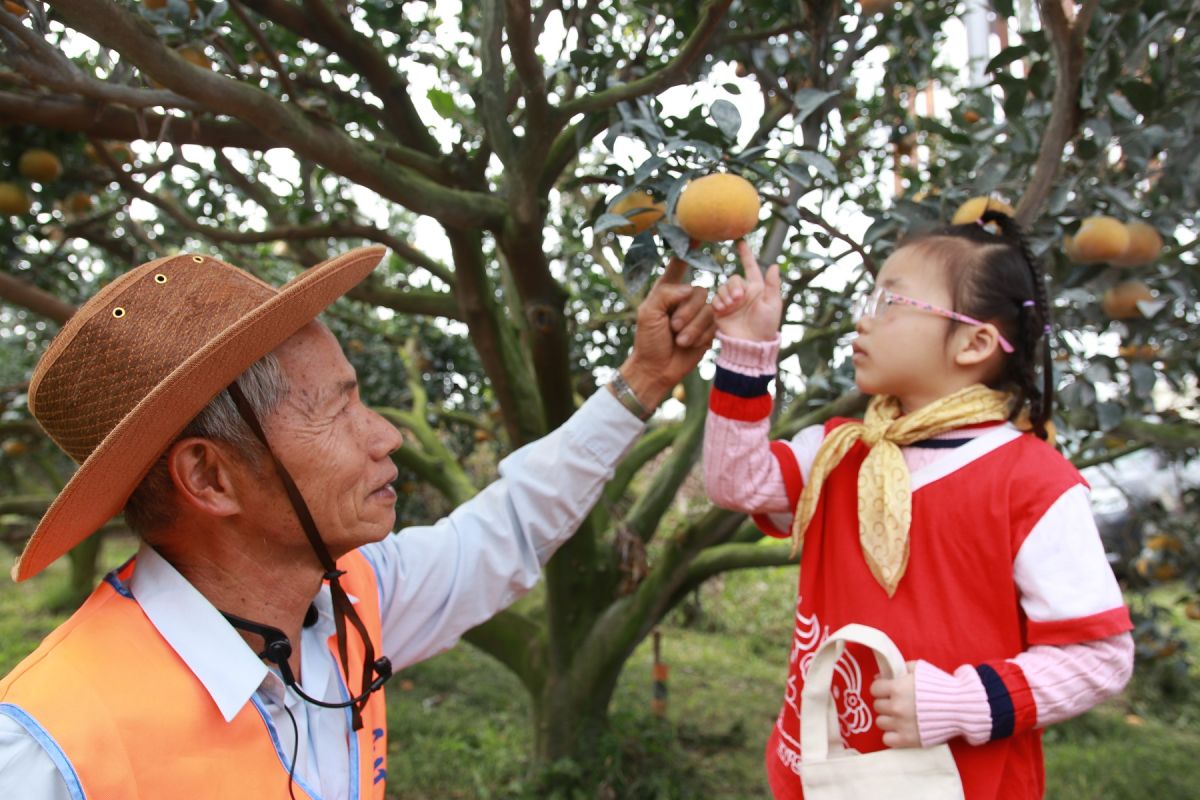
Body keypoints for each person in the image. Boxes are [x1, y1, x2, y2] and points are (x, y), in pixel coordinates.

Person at [0, 244, 716, 800]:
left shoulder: (345, 605)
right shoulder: (50, 747)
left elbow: (509, 528)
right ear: (210, 477)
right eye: (337, 409)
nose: (386, 436)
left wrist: (644, 380)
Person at [703, 211, 1134, 799]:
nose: (863, 319)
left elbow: (1098, 658)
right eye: (869, 298)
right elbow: (736, 483)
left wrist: (965, 701)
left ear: (974, 342)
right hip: (819, 773)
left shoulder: (1031, 483)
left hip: (957, 784)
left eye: (890, 304)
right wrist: (746, 353)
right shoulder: (837, 450)